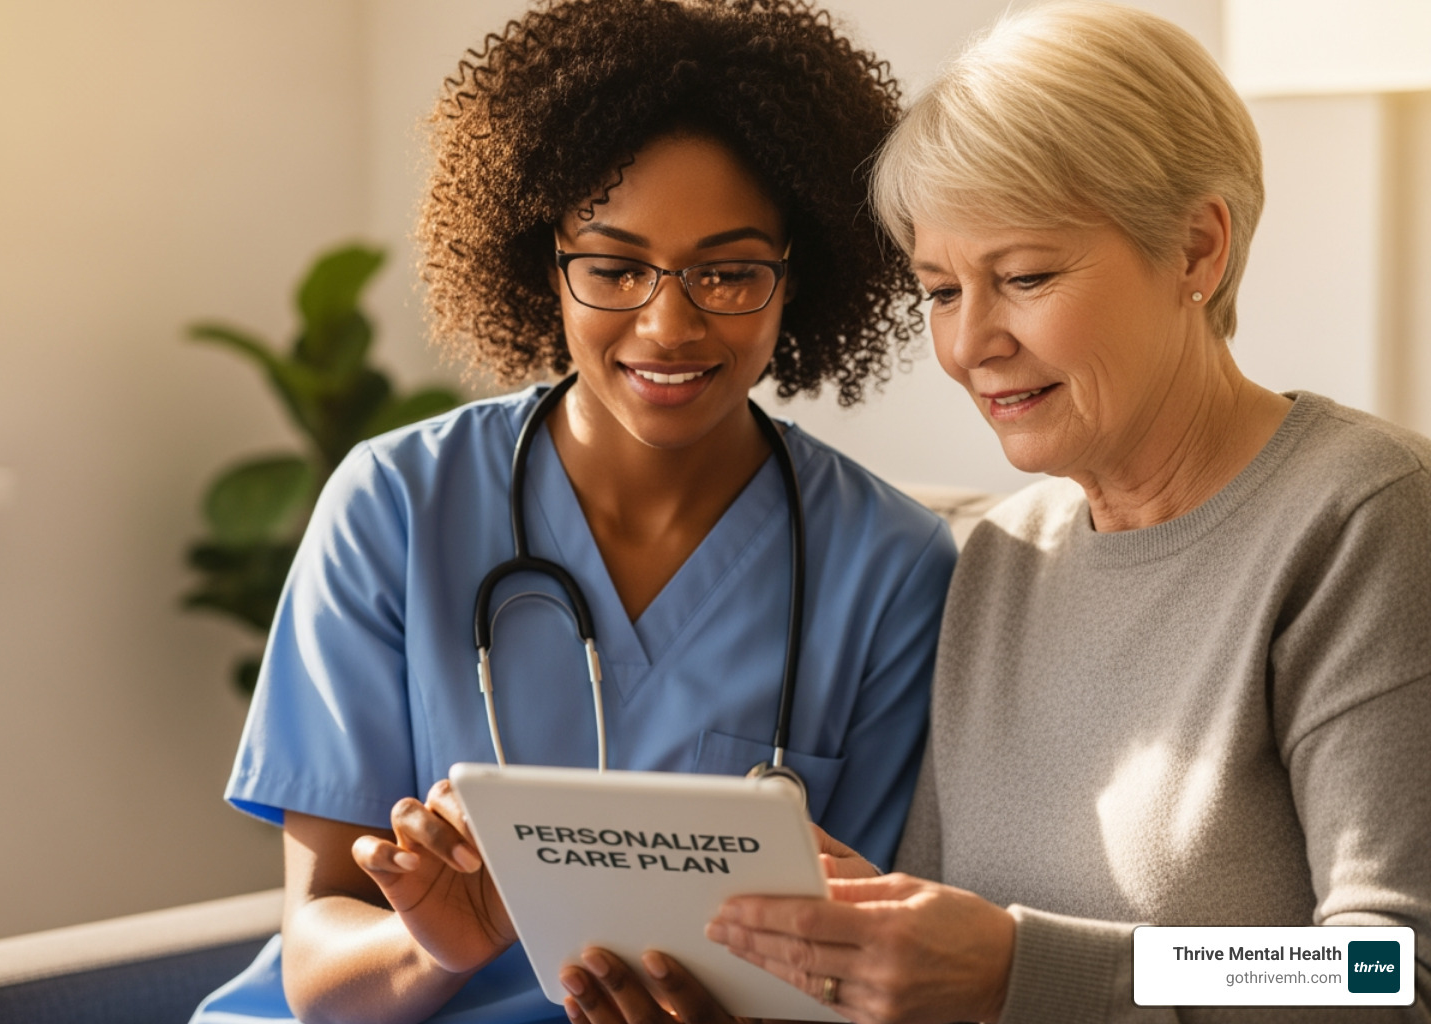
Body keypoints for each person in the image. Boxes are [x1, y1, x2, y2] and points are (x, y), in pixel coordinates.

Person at [557, 4, 1431, 1024]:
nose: (972, 344)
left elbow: (1386, 973)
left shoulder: (1362, 518)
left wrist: (1020, 969)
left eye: (1024, 277)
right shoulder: (1007, 557)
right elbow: (950, 970)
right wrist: (806, 979)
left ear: (1198, 249)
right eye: (940, 291)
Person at [189, 2, 956, 1023]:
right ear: (541, 264)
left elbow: (854, 968)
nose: (668, 323)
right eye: (614, 267)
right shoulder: (396, 505)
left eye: (729, 272)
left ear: (796, 275)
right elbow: (318, 974)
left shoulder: (891, 568)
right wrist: (434, 947)